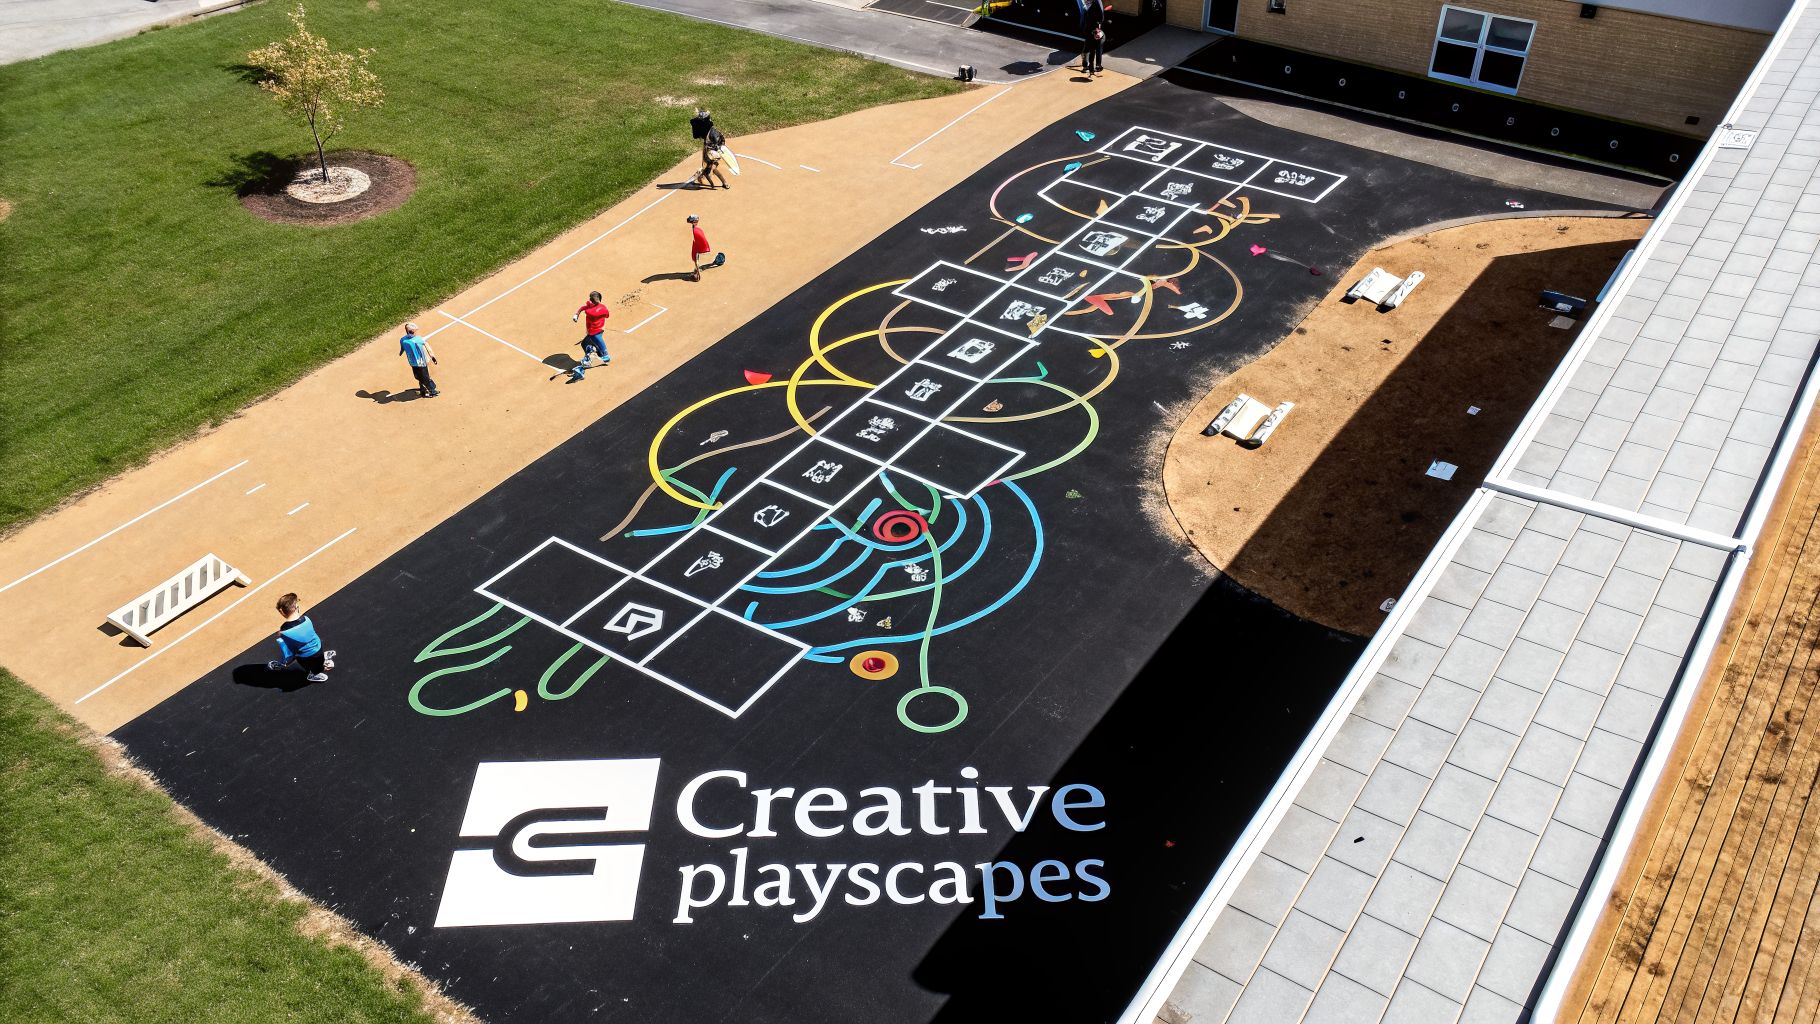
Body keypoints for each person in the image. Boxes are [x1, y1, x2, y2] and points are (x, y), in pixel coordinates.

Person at [267, 592, 335, 683]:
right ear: (296, 608)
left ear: (282, 612)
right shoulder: (306, 619)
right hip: (318, 647)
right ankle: (322, 661)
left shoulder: (285, 631)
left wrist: (281, 634)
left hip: (306, 657)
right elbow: (300, 631)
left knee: (313, 667)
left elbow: (290, 649)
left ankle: (312, 675)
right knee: (318, 662)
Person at [399, 322, 439, 398]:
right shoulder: (418, 339)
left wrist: (400, 352)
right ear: (411, 331)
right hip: (421, 363)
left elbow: (402, 348)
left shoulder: (403, 339)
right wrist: (432, 357)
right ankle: (432, 391)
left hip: (412, 363)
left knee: (419, 376)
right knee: (426, 377)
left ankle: (423, 390)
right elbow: (427, 346)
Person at [572, 291, 612, 367]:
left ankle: (605, 356)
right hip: (591, 331)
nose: (590, 301)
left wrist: (588, 309)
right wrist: (577, 314)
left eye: (592, 300)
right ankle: (597, 355)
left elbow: (590, 312)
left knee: (594, 341)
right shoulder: (592, 306)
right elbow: (583, 308)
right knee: (585, 343)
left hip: (596, 331)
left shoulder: (600, 309)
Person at [688, 214, 724, 282]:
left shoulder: (696, 232)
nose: (691, 274)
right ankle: (716, 261)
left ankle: (717, 261)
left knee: (698, 264)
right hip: (700, 249)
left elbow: (697, 263)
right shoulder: (695, 231)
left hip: (700, 249)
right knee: (699, 264)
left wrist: (698, 274)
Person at [694, 122, 730, 190]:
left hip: (714, 153)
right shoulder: (707, 133)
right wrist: (712, 185)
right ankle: (724, 183)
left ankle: (725, 183)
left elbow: (721, 142)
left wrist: (712, 185)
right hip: (709, 154)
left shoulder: (714, 133)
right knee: (711, 170)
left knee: (713, 169)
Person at [1081, 0, 1108, 76]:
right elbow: (1100, 17)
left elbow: (1100, 18)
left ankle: (1088, 67)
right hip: (1091, 29)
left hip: (1091, 29)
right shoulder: (1092, 3)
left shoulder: (1093, 3)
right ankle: (1091, 67)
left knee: (1089, 49)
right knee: (1092, 49)